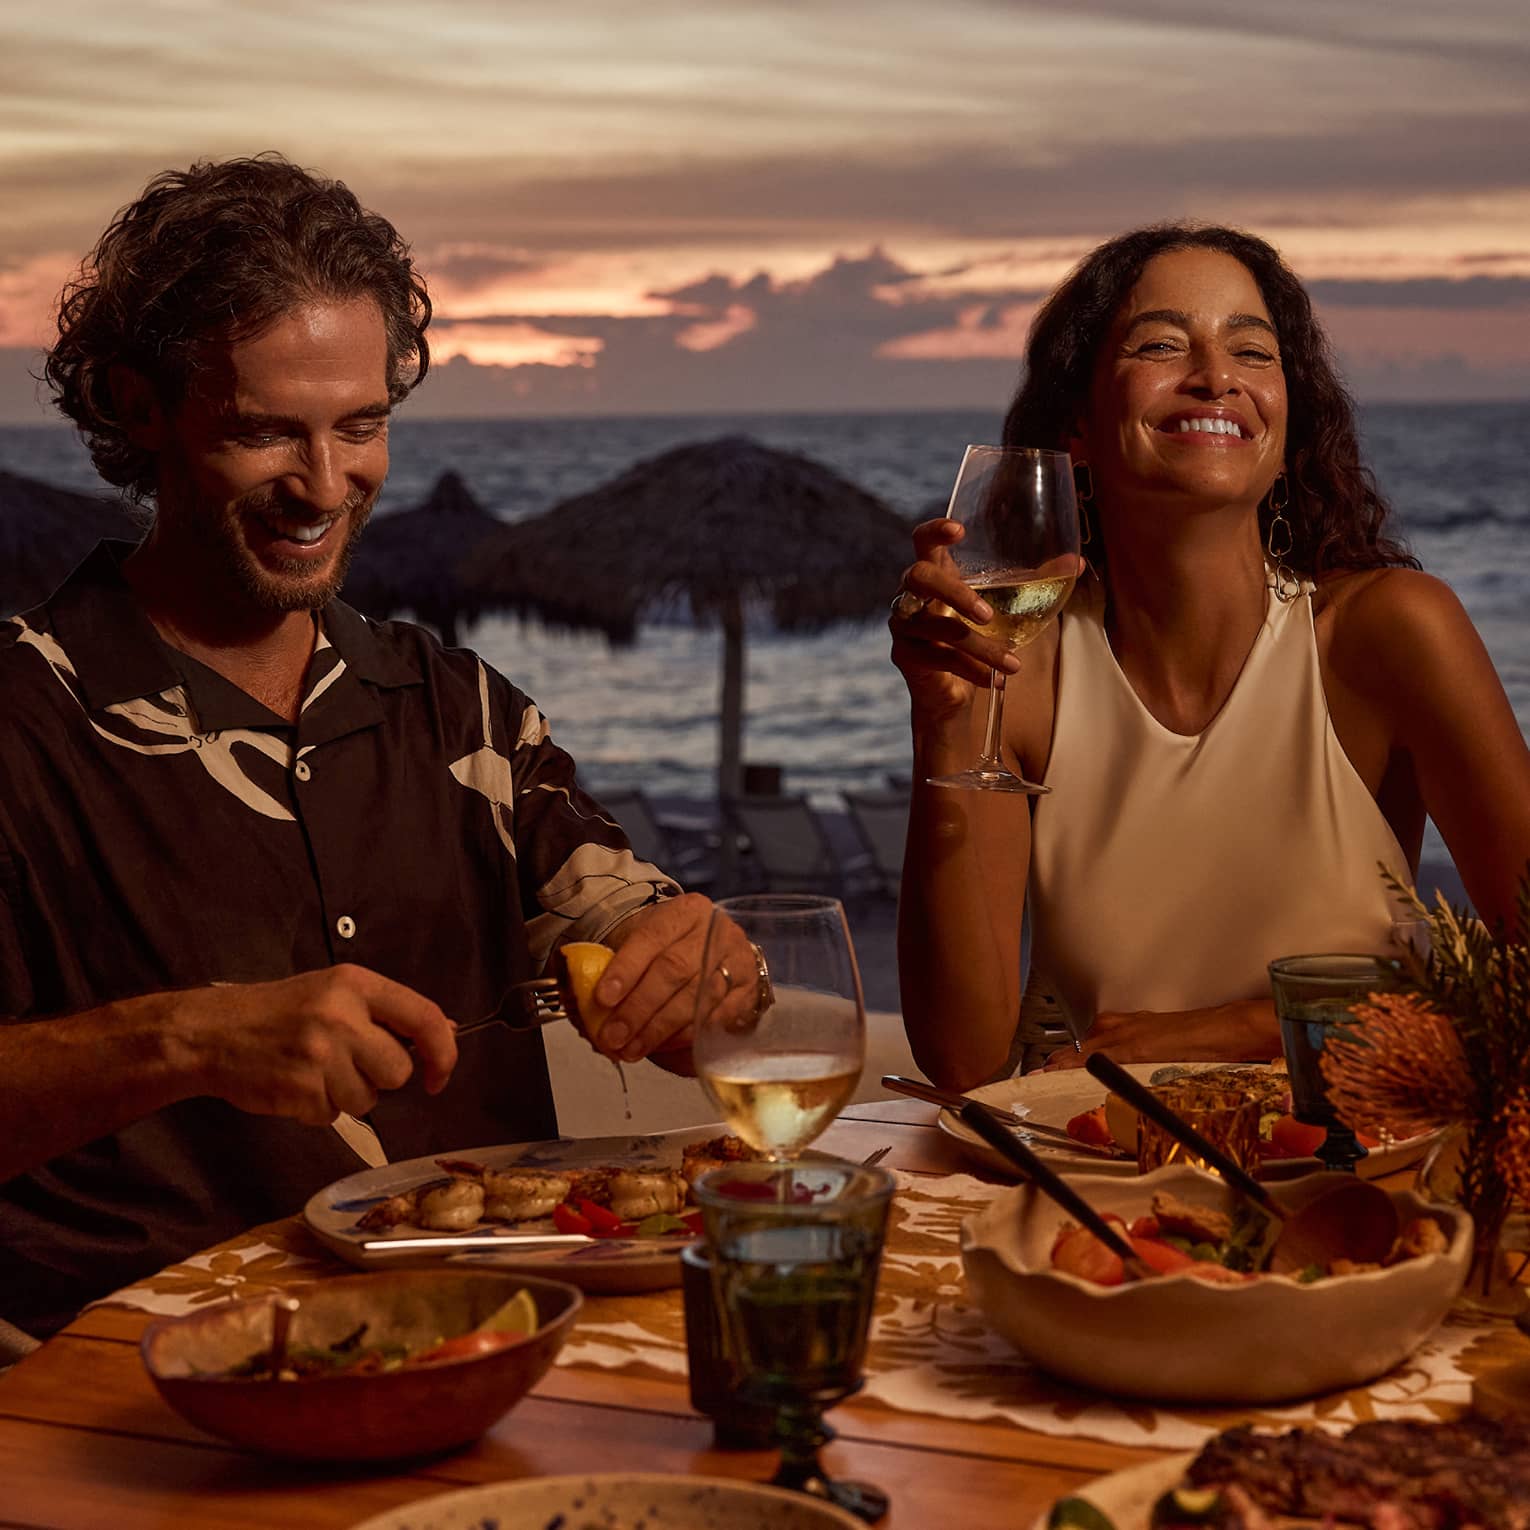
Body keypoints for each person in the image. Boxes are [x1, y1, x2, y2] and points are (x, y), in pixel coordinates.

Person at [0, 155, 750, 1342]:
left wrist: (701, 966)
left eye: (362, 427)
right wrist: (183, 1039)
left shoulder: (461, 709)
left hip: (485, 1354)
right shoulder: (20, 726)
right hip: (125, 1400)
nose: (325, 484)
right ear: (138, 407)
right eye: (264, 433)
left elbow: (646, 945)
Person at [890, 223, 1530, 1089]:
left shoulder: (1388, 633)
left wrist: (1232, 1029)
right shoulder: (1026, 666)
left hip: (1358, 1178)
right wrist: (945, 723)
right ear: (1077, 424)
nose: (1218, 377)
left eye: (1253, 353)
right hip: (1100, 1173)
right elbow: (964, 1061)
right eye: (1161, 344)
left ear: (1287, 416)